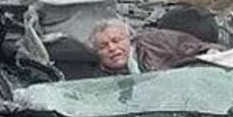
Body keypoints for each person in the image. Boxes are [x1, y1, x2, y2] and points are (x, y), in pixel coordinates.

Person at [88, 19, 217, 74]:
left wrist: (210, 53)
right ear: (97, 53)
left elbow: (199, 48)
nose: (111, 48)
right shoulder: (100, 82)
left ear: (129, 39)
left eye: (116, 40)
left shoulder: (156, 41)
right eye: (103, 46)